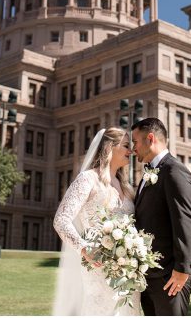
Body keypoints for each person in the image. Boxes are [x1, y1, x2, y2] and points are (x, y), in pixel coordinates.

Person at [52, 127, 140, 315]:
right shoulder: (87, 179)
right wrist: (84, 248)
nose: (131, 151)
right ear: (110, 147)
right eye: (126, 146)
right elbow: (61, 219)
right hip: (98, 266)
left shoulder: (127, 187)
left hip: (128, 270)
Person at [132, 118, 191, 316]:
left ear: (150, 138)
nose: (134, 148)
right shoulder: (149, 173)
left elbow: (185, 221)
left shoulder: (174, 170)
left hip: (171, 274)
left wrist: (182, 269)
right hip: (151, 273)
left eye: (136, 142)